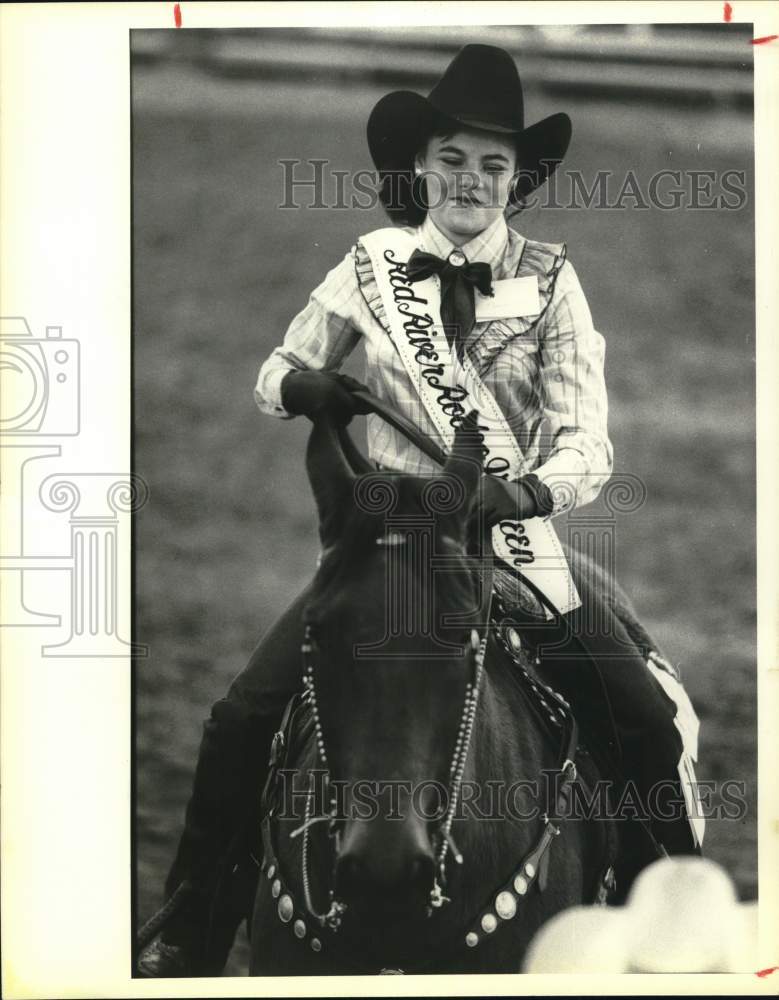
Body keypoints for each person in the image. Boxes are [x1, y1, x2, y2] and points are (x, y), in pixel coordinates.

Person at [138, 44, 700, 978]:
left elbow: (587, 450)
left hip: (505, 537)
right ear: (419, 169)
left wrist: (516, 492)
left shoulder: (556, 284)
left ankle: (670, 927)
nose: (469, 180)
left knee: (638, 715)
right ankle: (193, 933)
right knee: (241, 719)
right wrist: (305, 384)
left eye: (491, 165)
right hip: (377, 536)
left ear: (515, 182)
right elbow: (270, 374)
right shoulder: (370, 266)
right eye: (451, 160)